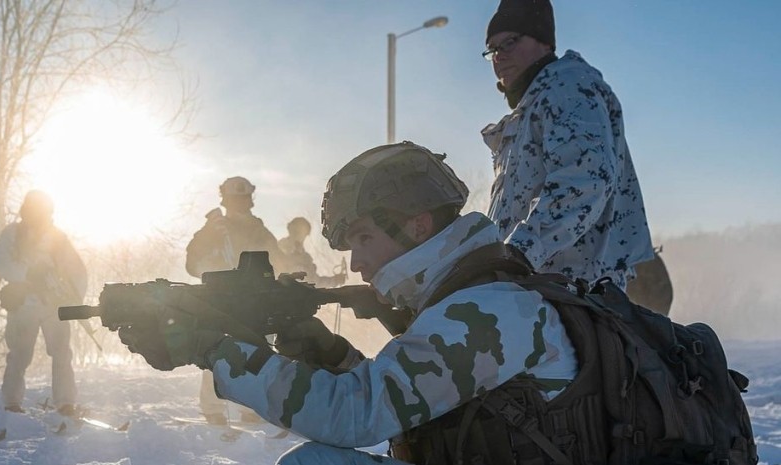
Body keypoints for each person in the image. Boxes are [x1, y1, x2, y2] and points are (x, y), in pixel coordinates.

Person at [121, 142, 581, 464]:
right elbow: (408, 394)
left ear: (418, 227)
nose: (356, 261)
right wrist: (334, 356)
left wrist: (213, 351)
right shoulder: (469, 296)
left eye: (364, 238)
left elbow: (358, 415)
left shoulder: (486, 311)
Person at [481, 0, 654, 290]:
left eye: (509, 42)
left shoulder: (568, 88)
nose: (499, 57)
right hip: (531, 290)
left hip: (570, 295)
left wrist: (517, 254)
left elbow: (584, 181)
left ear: (544, 43)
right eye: (493, 50)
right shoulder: (528, 110)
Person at [185, 176, 283, 425]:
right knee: (214, 350)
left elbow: (278, 261)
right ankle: (214, 410)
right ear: (226, 200)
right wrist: (210, 246)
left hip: (255, 303)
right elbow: (193, 265)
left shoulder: (260, 231)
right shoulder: (213, 230)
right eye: (235, 199)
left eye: (244, 199)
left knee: (258, 352)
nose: (240, 204)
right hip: (220, 302)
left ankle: (251, 409)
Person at [0, 190, 87, 416]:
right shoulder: (12, 234)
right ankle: (12, 403)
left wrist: (73, 299)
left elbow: (77, 271)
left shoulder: (58, 238)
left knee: (62, 353)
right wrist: (27, 273)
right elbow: (0, 263)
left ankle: (65, 402)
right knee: (19, 355)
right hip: (23, 303)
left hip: (53, 304)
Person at [278, 217, 346, 288]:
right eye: (296, 230)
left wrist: (335, 280)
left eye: (302, 232)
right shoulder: (277, 251)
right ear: (290, 229)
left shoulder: (306, 258)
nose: (299, 235)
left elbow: (316, 282)